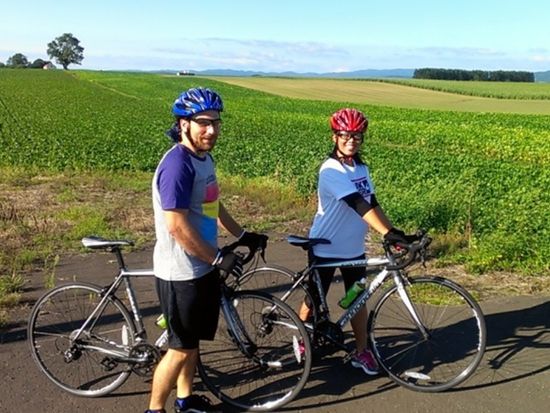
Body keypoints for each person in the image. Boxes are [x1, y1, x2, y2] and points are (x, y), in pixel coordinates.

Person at [146, 87, 267, 413]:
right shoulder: (178, 166)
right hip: (180, 272)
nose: (211, 130)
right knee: (180, 348)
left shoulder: (203, 159)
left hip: (201, 267)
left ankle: (184, 400)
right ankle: (154, 409)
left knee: (192, 343)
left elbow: (212, 203)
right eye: (203, 122)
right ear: (183, 124)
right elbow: (176, 226)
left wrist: (242, 234)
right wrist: (217, 256)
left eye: (216, 122)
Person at [298, 107, 415, 375]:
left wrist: (395, 233)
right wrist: (386, 234)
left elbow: (372, 203)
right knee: (315, 298)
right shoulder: (331, 170)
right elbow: (357, 204)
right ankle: (302, 339)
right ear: (334, 137)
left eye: (357, 136)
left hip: (353, 250)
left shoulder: (360, 168)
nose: (351, 140)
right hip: (326, 247)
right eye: (345, 135)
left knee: (356, 299)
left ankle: (361, 351)